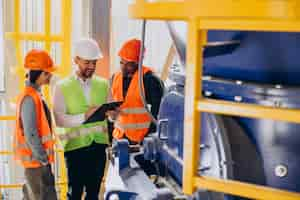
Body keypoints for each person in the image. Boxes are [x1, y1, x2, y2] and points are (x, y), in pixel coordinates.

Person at [53, 38, 109, 200]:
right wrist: (84, 116)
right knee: (75, 194)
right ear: (76, 60)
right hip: (75, 149)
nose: (92, 67)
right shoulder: (62, 86)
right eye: (87, 62)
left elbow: (110, 113)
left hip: (98, 148)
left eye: (94, 63)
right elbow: (60, 119)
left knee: (93, 194)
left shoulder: (104, 84)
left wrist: (113, 115)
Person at [14, 49, 58, 200]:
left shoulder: (35, 95)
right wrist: (43, 158)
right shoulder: (29, 98)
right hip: (36, 163)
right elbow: (31, 133)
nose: (50, 76)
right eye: (47, 73)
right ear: (38, 74)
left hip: (38, 162)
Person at [108, 38, 164, 144]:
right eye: (121, 62)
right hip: (119, 137)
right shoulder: (115, 78)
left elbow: (158, 115)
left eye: (128, 64)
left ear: (138, 62)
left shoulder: (150, 80)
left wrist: (148, 140)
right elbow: (111, 108)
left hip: (140, 140)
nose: (123, 68)